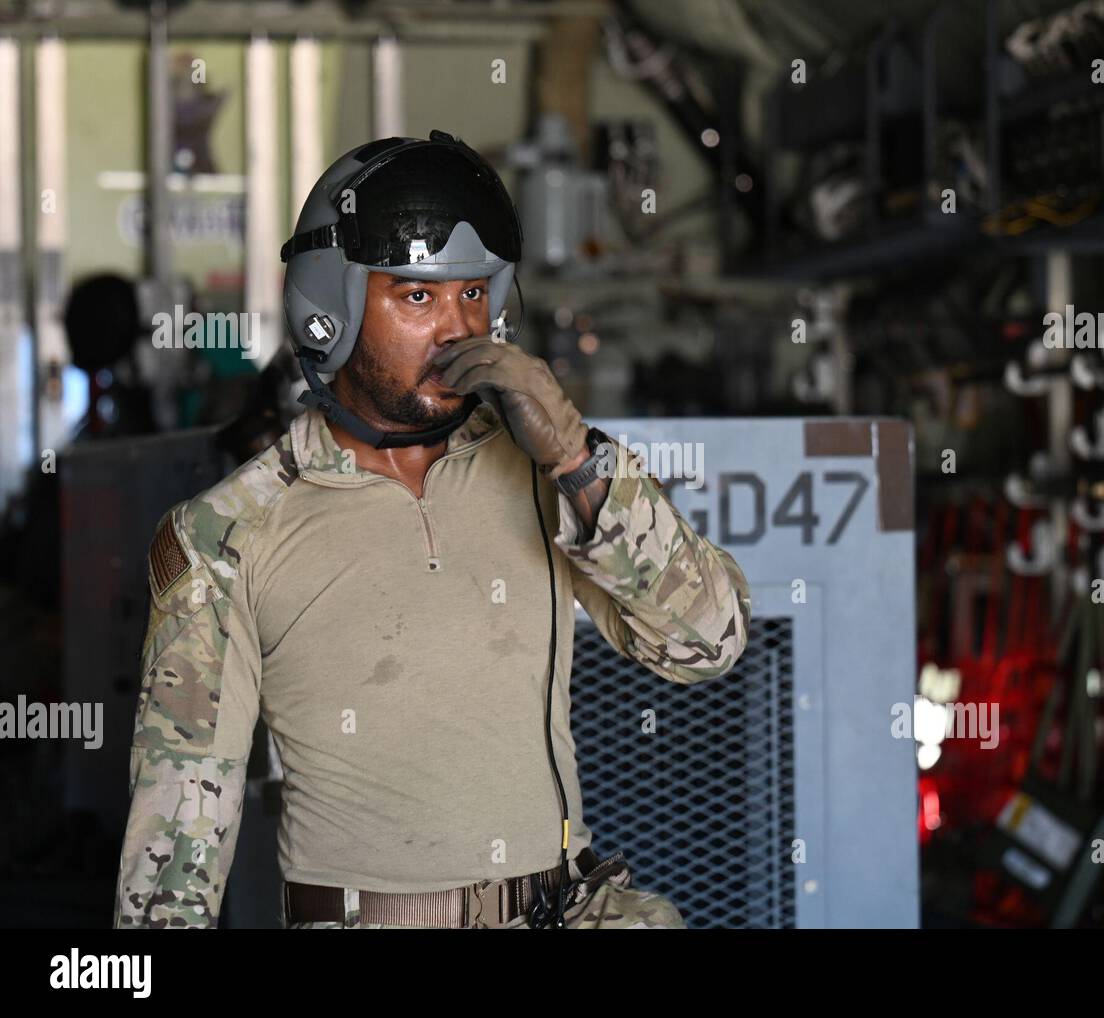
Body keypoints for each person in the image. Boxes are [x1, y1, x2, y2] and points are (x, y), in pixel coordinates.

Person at [112, 131, 751, 929]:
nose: (460, 331)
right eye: (418, 296)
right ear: (330, 309)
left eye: (475, 295)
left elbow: (710, 642)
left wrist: (578, 460)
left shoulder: (547, 470)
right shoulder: (226, 534)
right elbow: (176, 847)